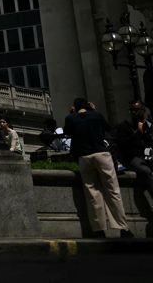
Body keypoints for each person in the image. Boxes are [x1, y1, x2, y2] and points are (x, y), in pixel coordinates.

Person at [64, 98, 133, 238]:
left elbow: (67, 133)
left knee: (92, 194)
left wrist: (72, 114)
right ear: (88, 106)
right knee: (113, 191)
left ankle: (99, 230)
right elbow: (108, 129)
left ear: (75, 108)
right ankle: (123, 228)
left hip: (84, 158)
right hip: (102, 154)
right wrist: (94, 110)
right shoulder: (96, 115)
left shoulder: (71, 118)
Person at [114, 100, 152, 204]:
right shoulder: (124, 126)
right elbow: (123, 145)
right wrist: (137, 134)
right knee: (145, 171)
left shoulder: (147, 125)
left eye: (137, 110)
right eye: (132, 110)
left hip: (146, 155)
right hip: (131, 158)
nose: (134, 112)